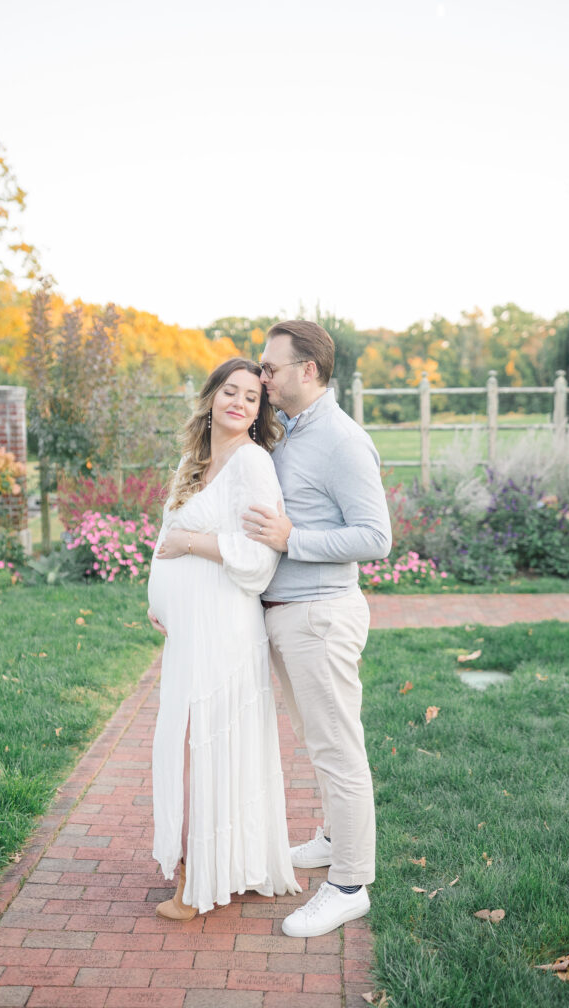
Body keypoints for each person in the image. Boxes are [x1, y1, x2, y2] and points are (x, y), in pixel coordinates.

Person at [243, 320, 392, 938]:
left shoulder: (340, 439)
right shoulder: (291, 432)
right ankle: (334, 839)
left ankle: (350, 884)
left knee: (338, 751)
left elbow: (375, 537)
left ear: (310, 370)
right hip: (288, 617)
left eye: (271, 367)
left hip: (321, 616)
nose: (262, 376)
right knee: (318, 743)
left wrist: (291, 540)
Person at [147, 357, 300, 918]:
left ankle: (200, 879)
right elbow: (166, 534)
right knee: (185, 741)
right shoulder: (192, 461)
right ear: (211, 396)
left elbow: (260, 558)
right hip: (188, 629)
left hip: (226, 625)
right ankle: (215, 860)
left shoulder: (253, 463)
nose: (239, 402)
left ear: (259, 411)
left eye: (251, 398)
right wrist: (158, 600)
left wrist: (191, 545)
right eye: (229, 391)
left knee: (207, 740)